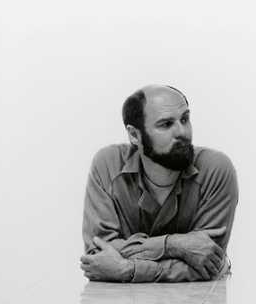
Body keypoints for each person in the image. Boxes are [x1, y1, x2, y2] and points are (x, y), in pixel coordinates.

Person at [80, 85, 238, 282]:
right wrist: (173, 245)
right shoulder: (108, 164)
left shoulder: (216, 169)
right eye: (166, 124)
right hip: (118, 298)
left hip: (198, 298)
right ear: (134, 135)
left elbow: (210, 264)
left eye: (185, 119)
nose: (182, 132)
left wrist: (129, 269)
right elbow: (98, 255)